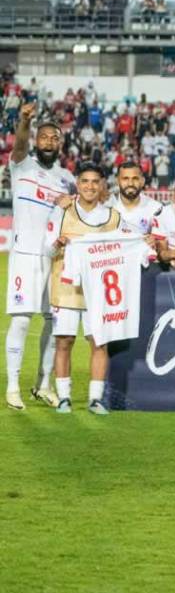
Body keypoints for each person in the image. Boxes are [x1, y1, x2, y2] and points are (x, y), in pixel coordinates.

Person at [5, 101, 75, 410]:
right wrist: (24, 120)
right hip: (24, 255)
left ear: (60, 143)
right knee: (21, 321)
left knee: (53, 320)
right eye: (44, 136)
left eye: (54, 137)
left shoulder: (67, 178)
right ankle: (12, 387)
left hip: (56, 258)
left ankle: (42, 384)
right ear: (37, 140)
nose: (49, 141)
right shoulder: (22, 165)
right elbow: (19, 144)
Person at [44, 164, 128, 414]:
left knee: (98, 343)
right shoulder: (61, 212)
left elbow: (127, 246)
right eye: (85, 181)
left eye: (95, 181)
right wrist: (57, 243)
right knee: (64, 342)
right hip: (66, 288)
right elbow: (46, 249)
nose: (90, 186)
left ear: (102, 184)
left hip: (98, 291)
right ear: (77, 185)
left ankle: (95, 399)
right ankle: (64, 399)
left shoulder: (113, 217)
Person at [106, 161, 162, 236]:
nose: (130, 183)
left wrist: (155, 242)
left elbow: (163, 242)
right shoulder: (106, 208)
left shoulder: (156, 209)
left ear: (142, 181)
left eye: (135, 178)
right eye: (125, 178)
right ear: (117, 181)